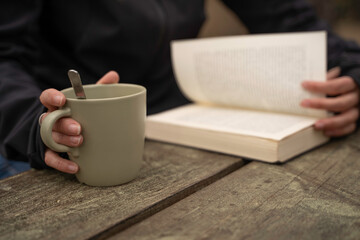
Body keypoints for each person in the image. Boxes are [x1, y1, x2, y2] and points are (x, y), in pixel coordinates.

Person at [0, 0, 359, 177]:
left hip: (185, 121)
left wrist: (355, 73)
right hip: (64, 140)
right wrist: (34, 124)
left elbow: (289, 20)